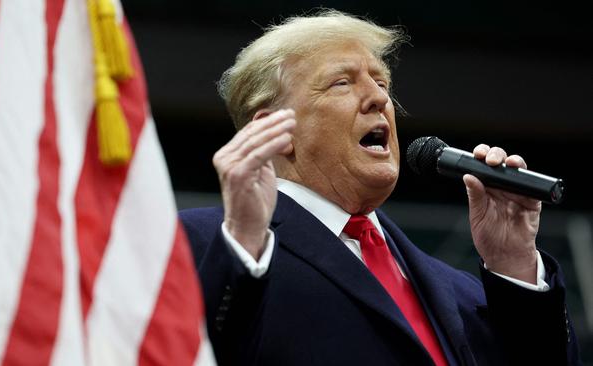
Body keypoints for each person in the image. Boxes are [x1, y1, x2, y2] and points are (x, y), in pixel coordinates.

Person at [180, 9, 580, 365]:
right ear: (272, 130)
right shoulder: (197, 245)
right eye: (341, 83)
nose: (377, 98)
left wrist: (513, 264)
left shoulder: (460, 291)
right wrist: (244, 242)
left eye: (382, 83)